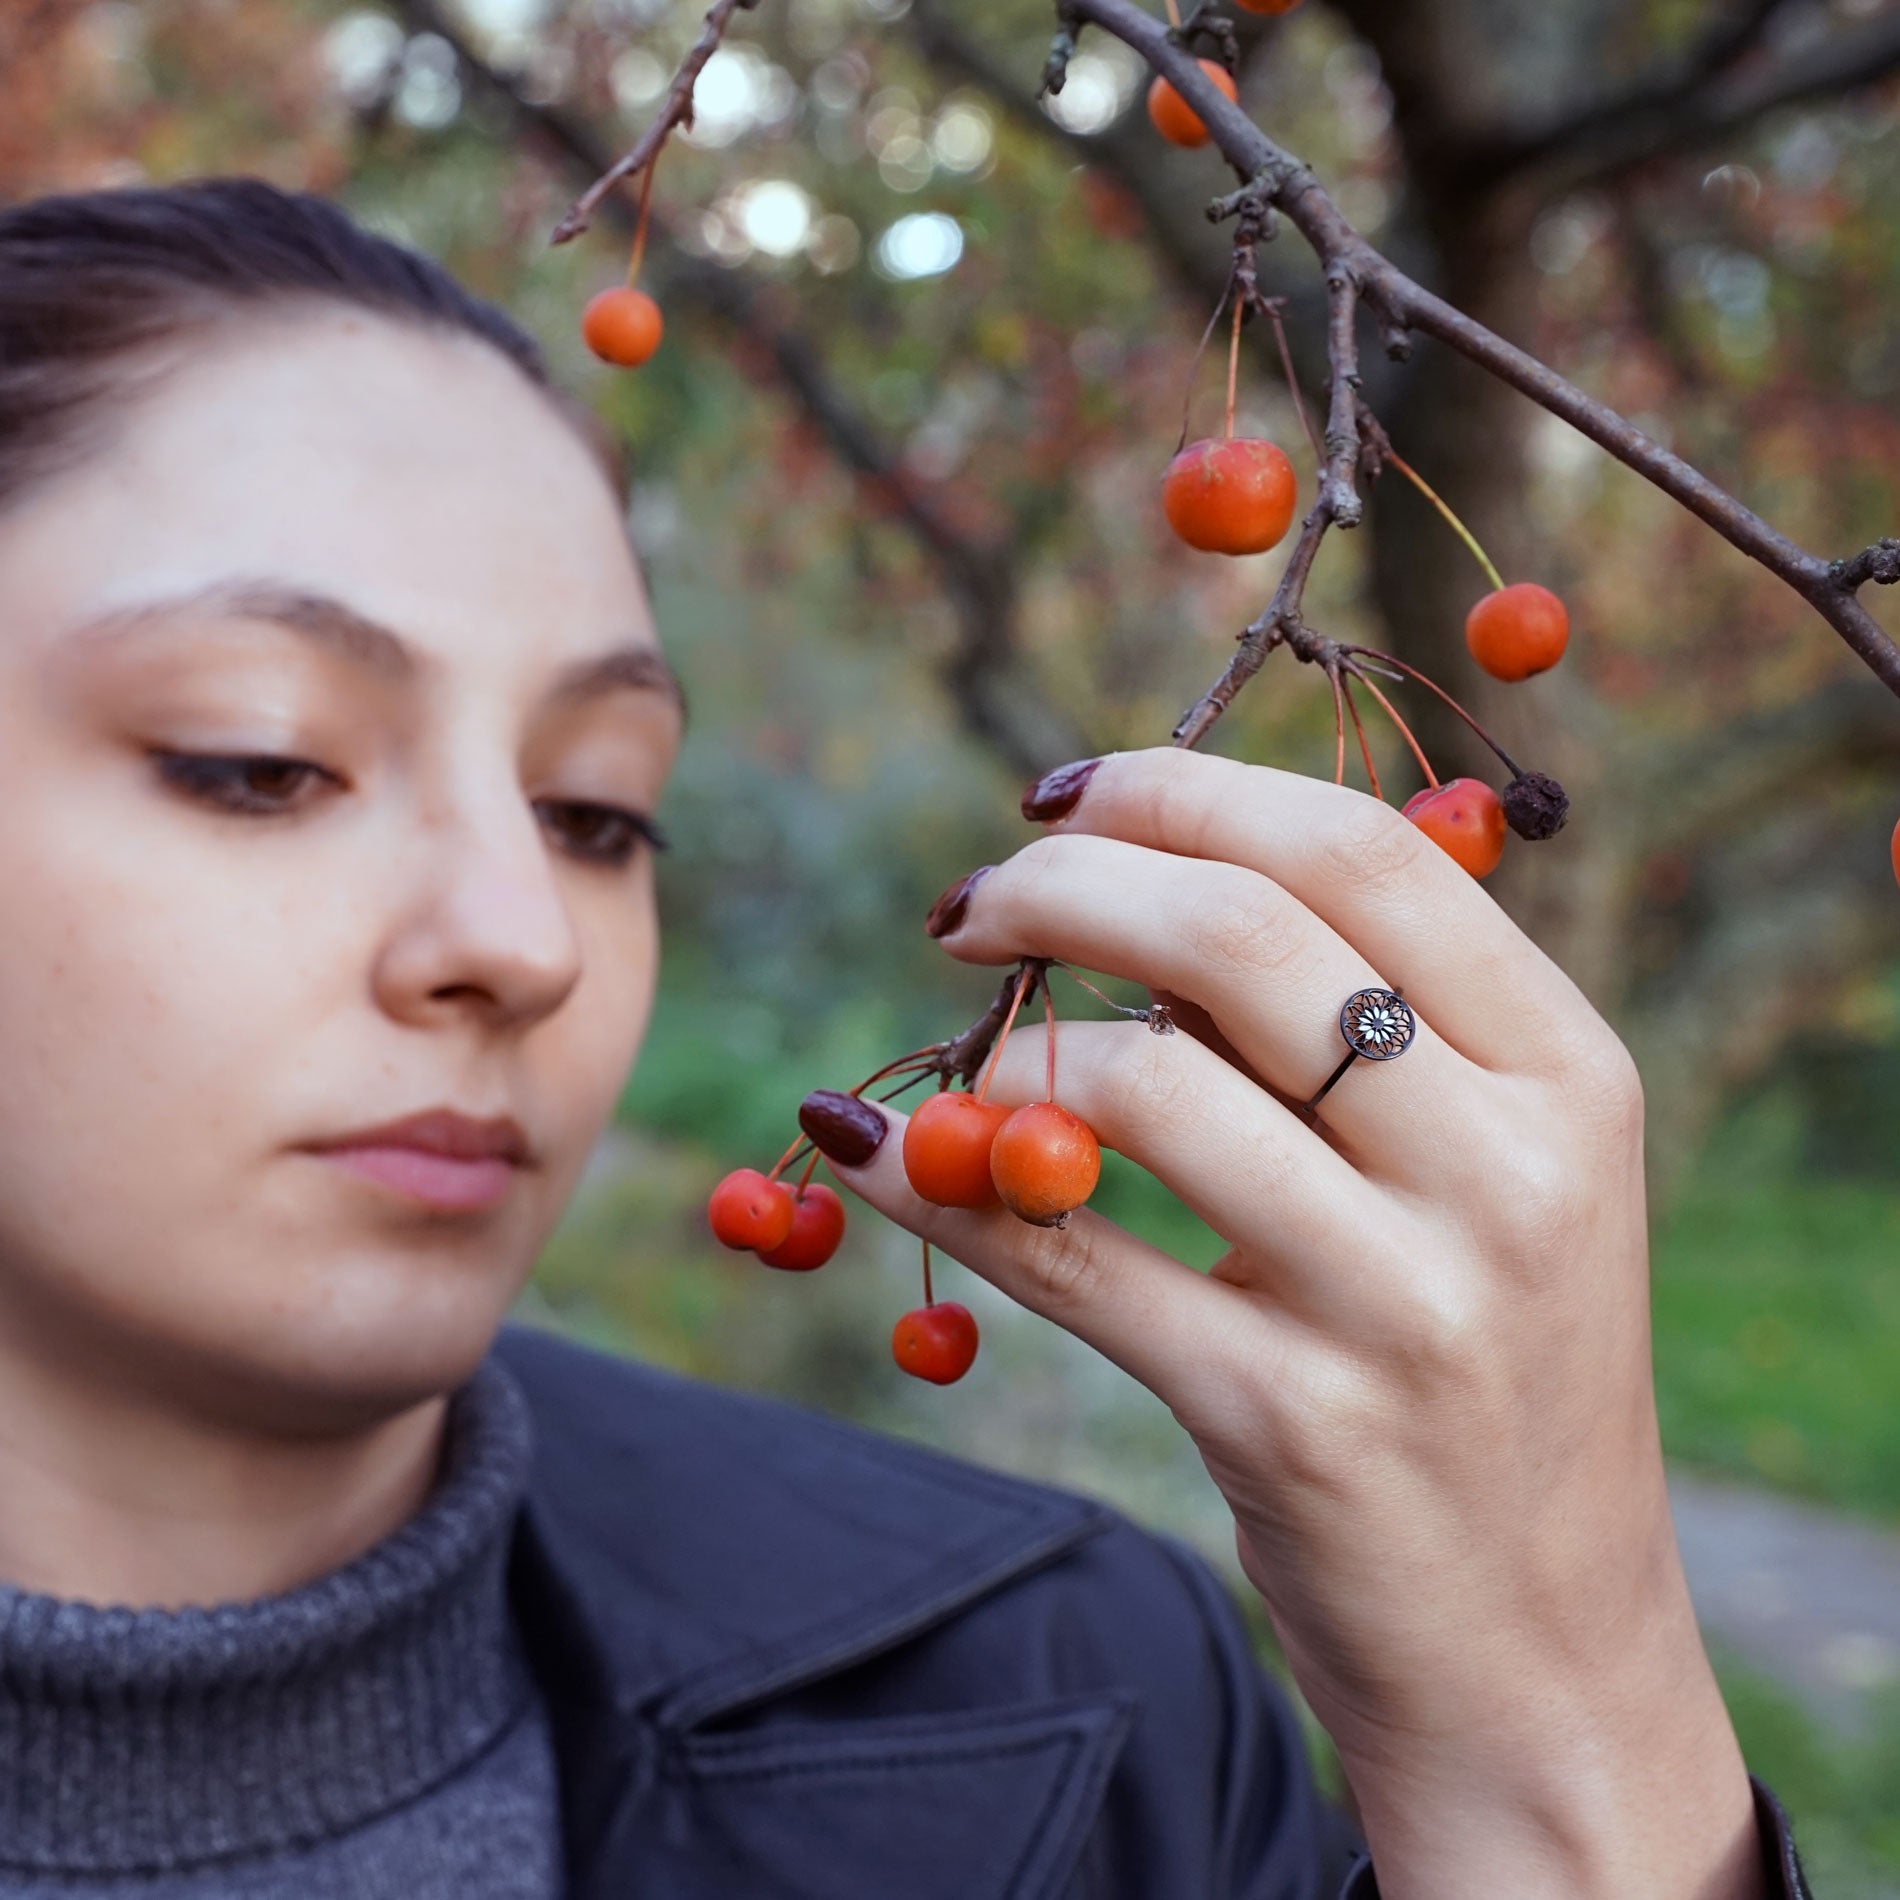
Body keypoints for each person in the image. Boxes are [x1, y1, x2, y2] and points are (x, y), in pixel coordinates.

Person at [0, 173, 1812, 1898]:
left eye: (598, 810)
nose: (524, 938)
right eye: (254, 760)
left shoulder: (1074, 1715)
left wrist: (1567, 1742)